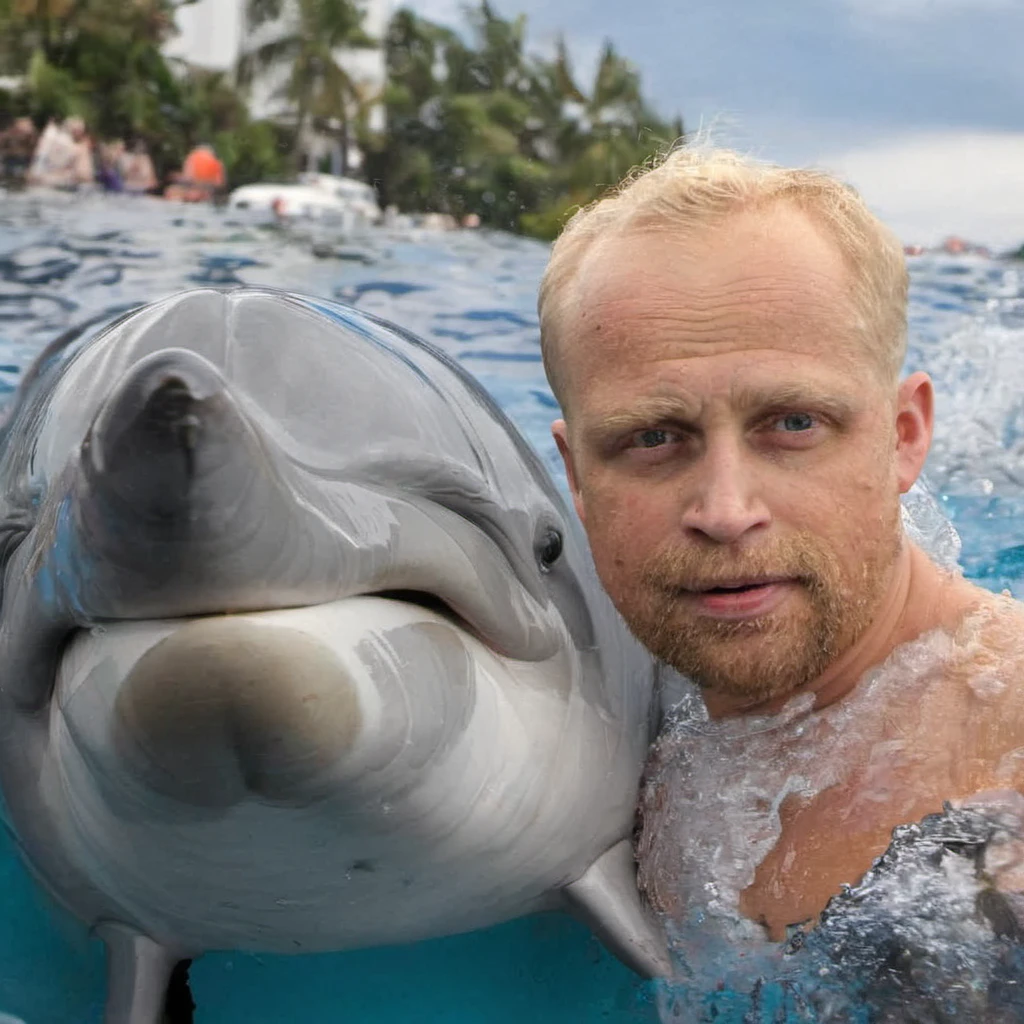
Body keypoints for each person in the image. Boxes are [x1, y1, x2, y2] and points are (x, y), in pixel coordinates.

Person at [537, 144, 1024, 980]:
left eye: (792, 424)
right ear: (577, 477)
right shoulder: (626, 749)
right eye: (654, 439)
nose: (726, 512)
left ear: (904, 438)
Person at [0, 117, 38, 181]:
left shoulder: (32, 137)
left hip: (24, 164)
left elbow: (35, 150)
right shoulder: (7, 135)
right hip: (9, 162)